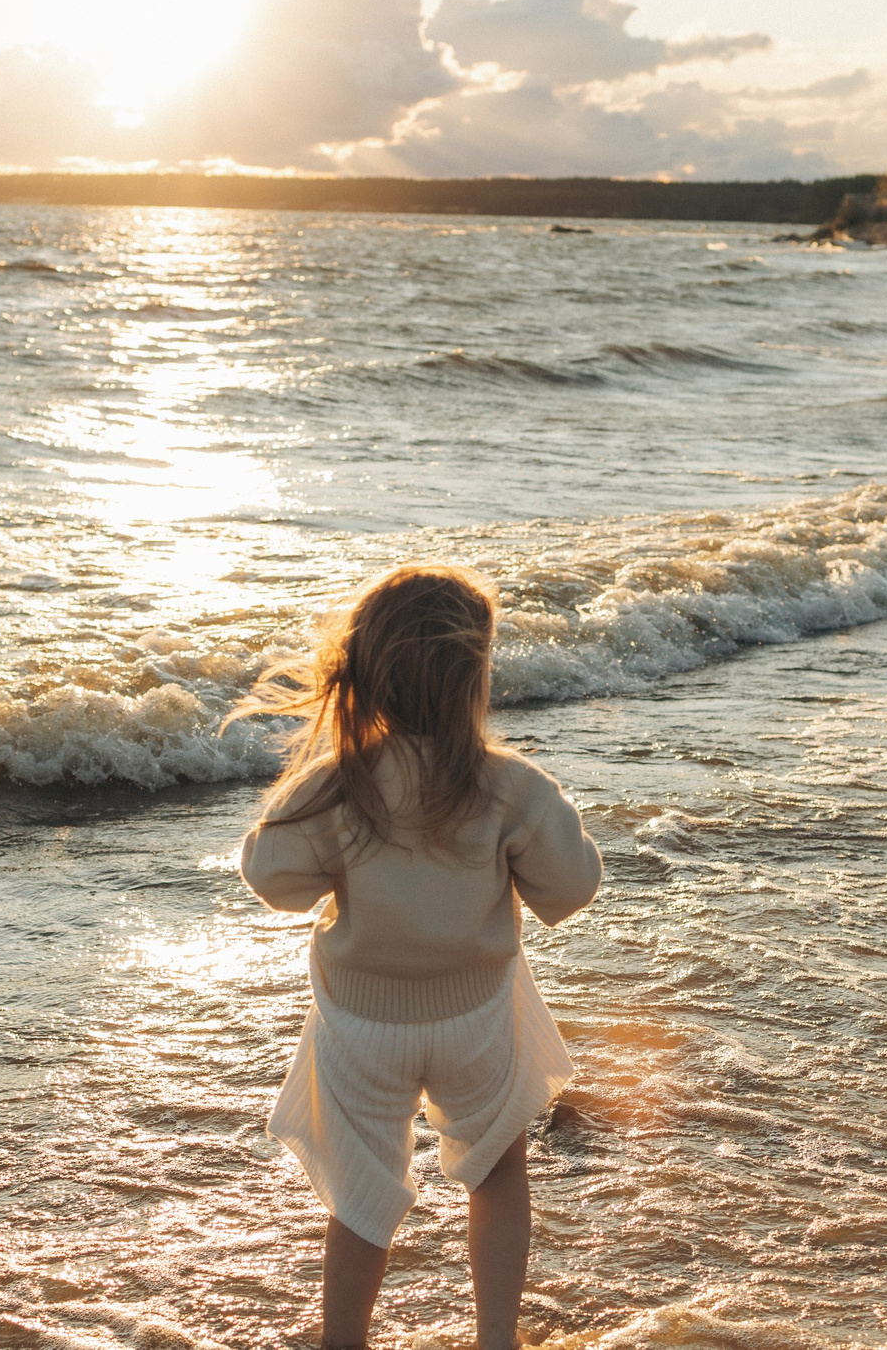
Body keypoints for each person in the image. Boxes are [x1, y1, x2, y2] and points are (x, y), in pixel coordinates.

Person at [235, 564, 601, 1350]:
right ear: (472, 680)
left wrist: (319, 788)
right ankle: (496, 1339)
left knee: (363, 1193)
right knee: (497, 1166)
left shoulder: (341, 788)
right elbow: (570, 889)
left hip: (363, 1024)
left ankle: (345, 1342)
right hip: (472, 1017)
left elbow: (271, 878)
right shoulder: (509, 787)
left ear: (368, 674)